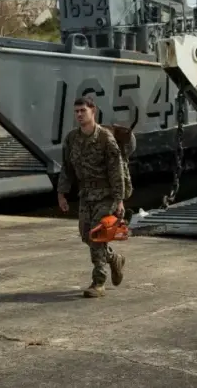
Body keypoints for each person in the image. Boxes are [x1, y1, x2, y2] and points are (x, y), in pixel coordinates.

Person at [57, 96, 127, 298]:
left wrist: (119, 199)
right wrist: (62, 193)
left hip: (105, 194)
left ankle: (98, 282)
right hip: (85, 194)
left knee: (97, 236)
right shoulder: (72, 139)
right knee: (86, 235)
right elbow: (67, 168)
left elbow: (117, 170)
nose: (79, 115)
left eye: (83, 111)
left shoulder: (105, 138)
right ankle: (114, 258)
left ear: (93, 111)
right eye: (76, 111)